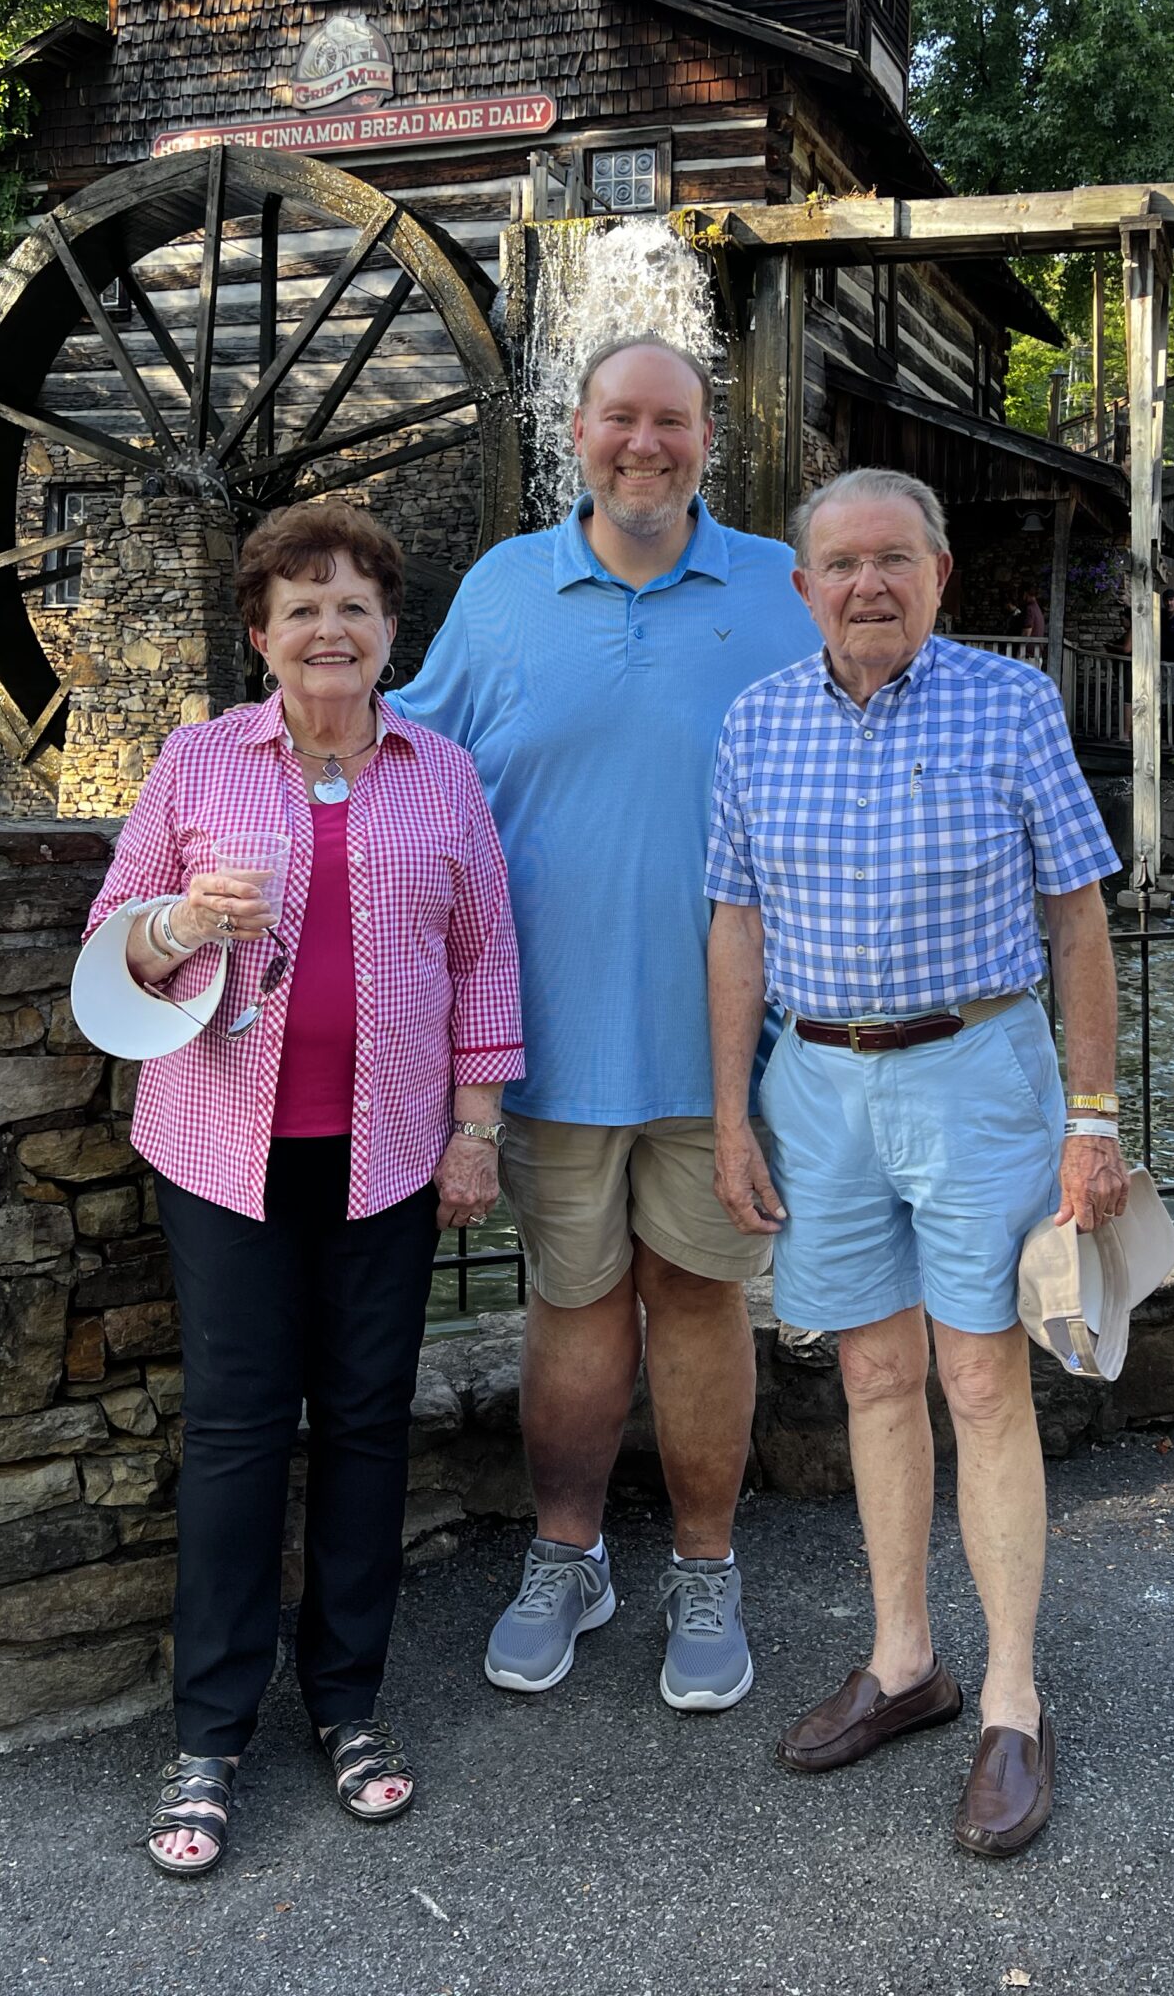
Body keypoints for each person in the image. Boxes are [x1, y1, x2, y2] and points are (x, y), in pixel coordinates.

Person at [82, 501, 523, 1876]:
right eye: (299, 609)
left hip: (390, 1151)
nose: (328, 630)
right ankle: (208, 1735)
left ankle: (348, 1709)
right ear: (260, 635)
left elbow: (485, 959)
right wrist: (178, 922)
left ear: (392, 631)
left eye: (353, 606)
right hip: (224, 1150)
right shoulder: (200, 762)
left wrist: (476, 1129)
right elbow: (115, 934)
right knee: (232, 1434)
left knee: (368, 1429)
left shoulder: (441, 772)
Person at [392, 334, 819, 1712]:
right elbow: (407, 755)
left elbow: (866, 748)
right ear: (574, 430)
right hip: (546, 1041)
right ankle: (565, 1556)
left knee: (699, 1305)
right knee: (570, 1308)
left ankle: (707, 1571)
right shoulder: (507, 586)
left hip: (725, 1054)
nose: (647, 445)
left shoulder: (780, 587)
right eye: (620, 420)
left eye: (674, 422)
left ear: (711, 435)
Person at [706, 467, 1124, 1859]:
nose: (868, 584)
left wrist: (1095, 1115)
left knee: (981, 1376)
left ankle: (1012, 1695)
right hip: (817, 1081)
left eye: (895, 558)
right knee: (874, 1373)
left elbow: (1076, 921)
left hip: (976, 1073)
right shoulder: (757, 722)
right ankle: (904, 1663)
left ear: (939, 576)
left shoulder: (1010, 705)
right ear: (803, 586)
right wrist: (729, 1115)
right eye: (842, 562)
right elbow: (736, 934)